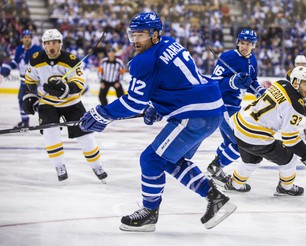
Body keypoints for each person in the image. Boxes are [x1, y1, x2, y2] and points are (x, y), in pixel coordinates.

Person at [79, 12, 237, 232]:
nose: (135, 40)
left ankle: (149, 213)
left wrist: (101, 114)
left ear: (154, 34)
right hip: (210, 109)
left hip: (194, 115)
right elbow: (178, 81)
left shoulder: (144, 61)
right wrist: (159, 106)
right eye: (133, 34)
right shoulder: (171, 43)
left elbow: (134, 103)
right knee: (171, 161)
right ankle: (216, 199)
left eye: (141, 34)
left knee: (151, 159)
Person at [224, 66, 306, 196]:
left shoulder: (280, 83)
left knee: (252, 159)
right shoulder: (296, 106)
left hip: (238, 124)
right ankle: (286, 187)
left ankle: (235, 184)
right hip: (254, 134)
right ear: (295, 82)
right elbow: (290, 140)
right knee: (290, 156)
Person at [22, 29, 107, 183]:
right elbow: (30, 80)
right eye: (47, 43)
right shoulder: (35, 59)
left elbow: (80, 84)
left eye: (54, 42)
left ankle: (97, 166)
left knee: (85, 136)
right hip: (47, 103)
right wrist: (30, 96)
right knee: (50, 134)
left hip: (72, 103)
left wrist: (65, 89)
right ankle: (59, 166)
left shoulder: (71, 60)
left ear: (60, 43)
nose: (51, 46)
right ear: (43, 45)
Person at [206, 28, 266, 191]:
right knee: (239, 143)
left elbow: (252, 81)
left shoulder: (253, 60)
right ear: (238, 42)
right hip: (221, 105)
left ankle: (216, 166)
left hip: (235, 108)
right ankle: (215, 167)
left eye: (248, 44)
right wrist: (233, 81)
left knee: (228, 142)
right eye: (242, 42)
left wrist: (260, 92)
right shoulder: (228, 57)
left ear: (254, 45)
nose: (244, 46)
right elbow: (214, 83)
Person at [0, 30, 42, 128]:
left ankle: (45, 120)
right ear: (22, 39)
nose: (27, 39)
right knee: (21, 101)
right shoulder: (19, 49)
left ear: (31, 38)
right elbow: (15, 62)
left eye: (29, 37)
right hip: (23, 81)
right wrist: (3, 71)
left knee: (39, 102)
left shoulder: (37, 49)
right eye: (25, 37)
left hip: (35, 81)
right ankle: (25, 121)